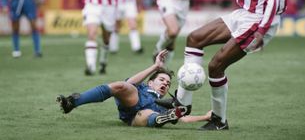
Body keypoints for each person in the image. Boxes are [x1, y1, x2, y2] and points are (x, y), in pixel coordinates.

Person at [157, 0, 287, 130]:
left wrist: (262, 30)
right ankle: (182, 104)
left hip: (259, 20)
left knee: (216, 66)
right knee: (195, 38)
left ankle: (219, 120)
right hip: (244, 13)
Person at [57, 50, 211, 127]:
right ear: (151, 83)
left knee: (149, 113)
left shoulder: (165, 102)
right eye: (161, 80)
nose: (165, 84)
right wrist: (155, 67)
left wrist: (205, 117)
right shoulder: (143, 88)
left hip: (141, 115)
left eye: (168, 84)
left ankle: (161, 119)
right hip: (134, 100)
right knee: (123, 85)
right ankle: (74, 101)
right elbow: (130, 83)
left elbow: (183, 118)